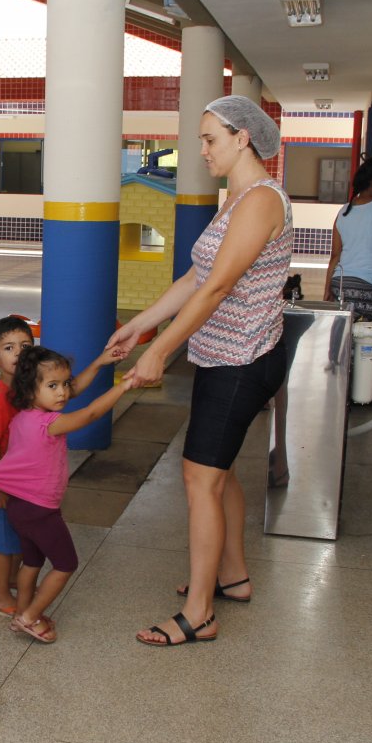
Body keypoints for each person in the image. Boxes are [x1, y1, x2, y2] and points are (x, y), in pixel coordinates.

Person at [107, 95, 292, 647]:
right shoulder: (235, 199)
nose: (202, 148)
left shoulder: (260, 201)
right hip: (221, 355)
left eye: (211, 138)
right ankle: (230, 576)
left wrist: (160, 352)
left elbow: (217, 288)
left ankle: (200, 612)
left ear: (243, 138)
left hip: (244, 358)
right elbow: (195, 276)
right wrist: (142, 324)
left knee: (199, 477)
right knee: (219, 471)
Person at [0, 346, 130, 643]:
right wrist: (125, 384)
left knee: (32, 562)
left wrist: (98, 362)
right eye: (53, 386)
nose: (63, 392)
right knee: (65, 564)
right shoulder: (50, 424)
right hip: (40, 510)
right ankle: (29, 616)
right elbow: (91, 413)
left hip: (21, 508)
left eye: (64, 383)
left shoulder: (22, 417)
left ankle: (21, 611)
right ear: (31, 389)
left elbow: (73, 391)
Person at [0, 316, 35, 615]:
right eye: (9, 348)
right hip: (0, 483)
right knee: (3, 541)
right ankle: (1, 595)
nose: (18, 353)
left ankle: (14, 578)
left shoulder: (25, 390)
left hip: (20, 479)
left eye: (25, 346)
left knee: (17, 534)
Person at [323, 157, 372, 322]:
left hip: (340, 284)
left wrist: (327, 288)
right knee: (366, 337)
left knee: (342, 333)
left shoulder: (343, 212)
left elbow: (335, 255)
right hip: (369, 286)